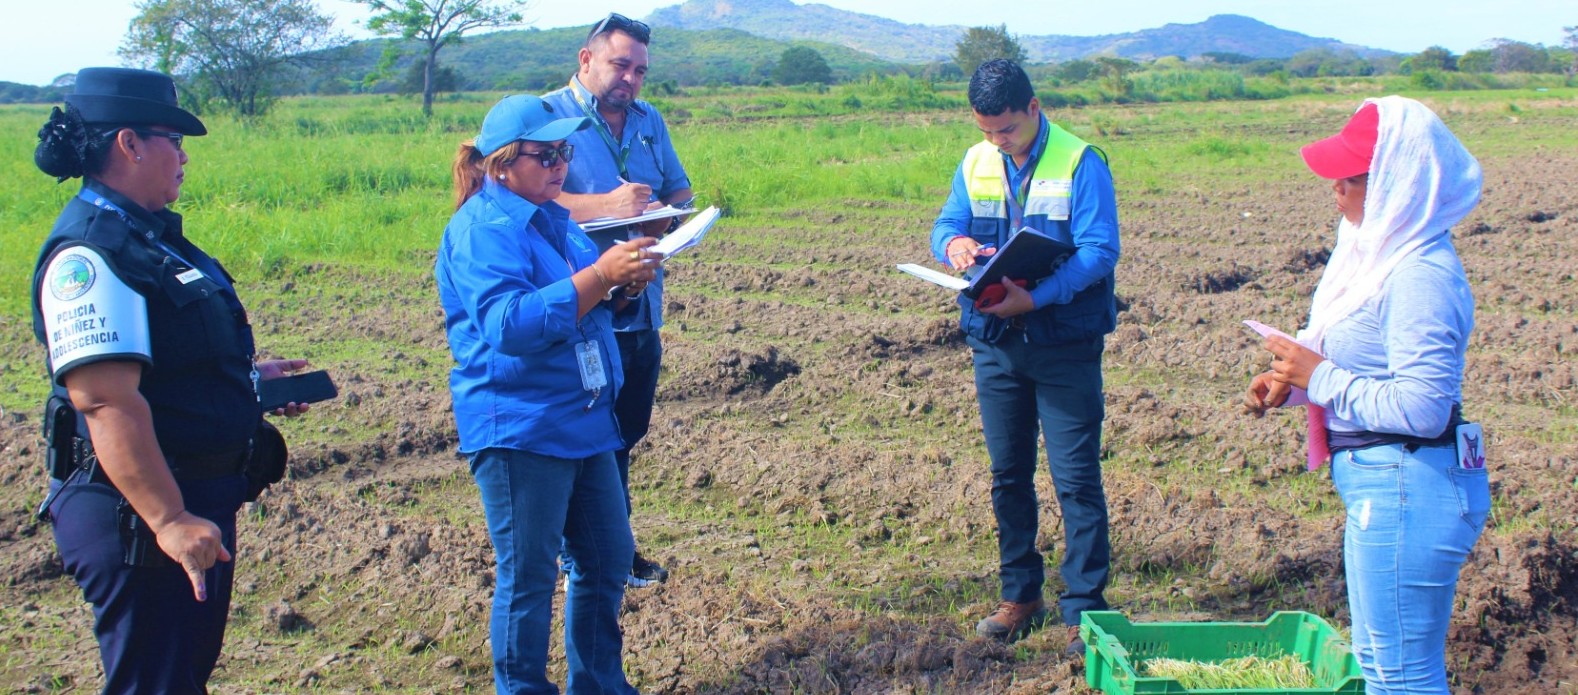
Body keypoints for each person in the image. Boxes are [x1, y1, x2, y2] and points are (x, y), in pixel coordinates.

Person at [29, 67, 310, 693]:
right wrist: (170, 517)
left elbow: (164, 357)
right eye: (172, 139)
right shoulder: (90, 256)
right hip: (139, 510)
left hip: (191, 492)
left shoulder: (145, 236)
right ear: (128, 143)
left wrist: (245, 380)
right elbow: (103, 398)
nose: (183, 156)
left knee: (179, 675)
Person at [1244, 96, 1488, 694]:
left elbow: (1423, 407)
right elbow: (1370, 366)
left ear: (1395, 185)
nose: (1336, 190)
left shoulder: (1419, 275)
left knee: (1401, 676)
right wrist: (1295, 383)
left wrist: (1319, 375)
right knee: (1384, 667)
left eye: (1348, 178)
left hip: (1409, 481)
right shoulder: (1377, 259)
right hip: (1391, 480)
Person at [435, 94, 658, 694]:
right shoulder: (483, 229)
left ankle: (599, 685)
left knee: (608, 559)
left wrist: (625, 287)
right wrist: (600, 276)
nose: (561, 165)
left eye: (565, 151)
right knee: (530, 576)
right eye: (545, 155)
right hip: (521, 425)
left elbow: (587, 304)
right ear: (501, 164)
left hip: (582, 418)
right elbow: (510, 325)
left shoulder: (554, 219)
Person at [929, 59, 1120, 653]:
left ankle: (1084, 609)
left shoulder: (1081, 161)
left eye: (1006, 130)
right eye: (986, 130)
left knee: (1076, 480)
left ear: (1033, 110)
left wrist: (1035, 297)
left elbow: (1099, 251)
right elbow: (947, 223)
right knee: (1008, 475)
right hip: (997, 345)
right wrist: (953, 243)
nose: (996, 141)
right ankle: (1021, 594)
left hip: (1063, 343)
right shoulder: (977, 159)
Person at [542, 11, 692, 588]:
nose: (630, 79)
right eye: (620, 65)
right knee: (586, 436)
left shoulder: (649, 121)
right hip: (582, 311)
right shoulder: (549, 119)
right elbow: (520, 201)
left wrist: (672, 218)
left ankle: (602, 548)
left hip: (641, 304)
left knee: (625, 433)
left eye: (641, 71)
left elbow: (678, 187)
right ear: (587, 60)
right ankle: (597, 553)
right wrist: (607, 206)